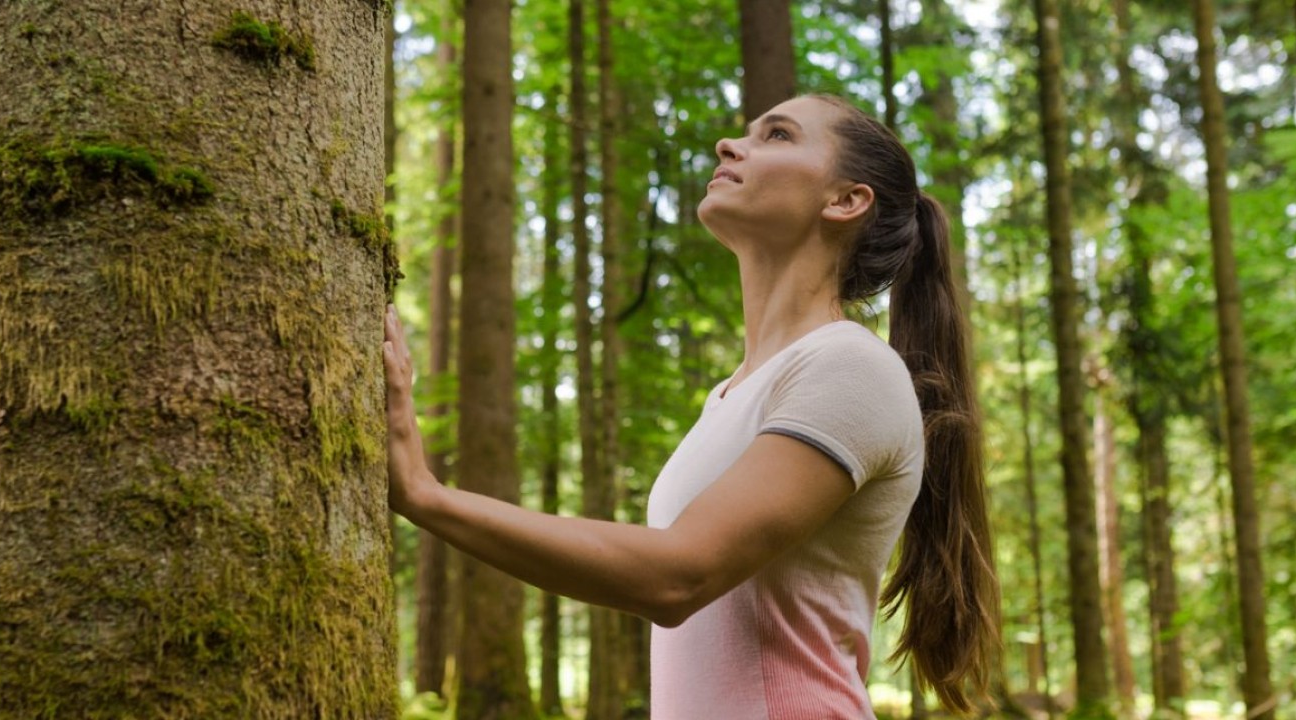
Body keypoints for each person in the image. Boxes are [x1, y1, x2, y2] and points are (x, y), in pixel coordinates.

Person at [381, 94, 999, 718]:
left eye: (778, 136)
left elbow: (677, 576)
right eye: (746, 134)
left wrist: (425, 494)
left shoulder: (851, 368)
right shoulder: (733, 395)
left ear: (845, 201)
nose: (729, 146)